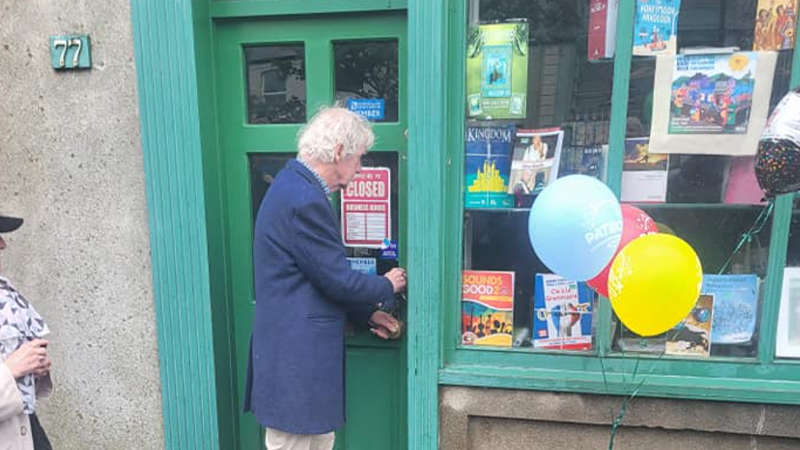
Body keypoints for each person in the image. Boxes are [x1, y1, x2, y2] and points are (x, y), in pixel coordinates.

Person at [244, 107, 407, 450]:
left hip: (297, 364)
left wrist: (366, 314)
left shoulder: (295, 189)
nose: (361, 168)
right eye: (359, 158)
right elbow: (336, 280)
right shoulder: (303, 199)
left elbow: (312, 279)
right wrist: (387, 285)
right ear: (338, 152)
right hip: (297, 367)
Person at [0, 214, 53, 450]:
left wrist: (34, 370)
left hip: (25, 432)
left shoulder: (6, 296)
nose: (3, 244)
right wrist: (10, 371)